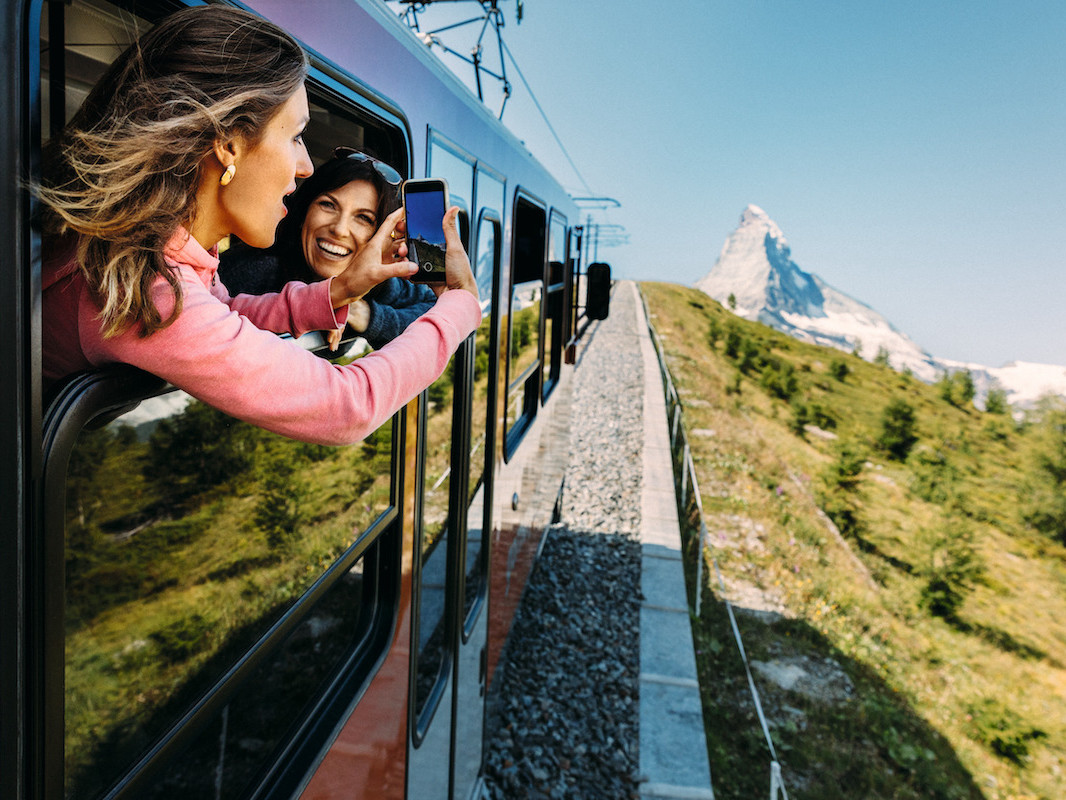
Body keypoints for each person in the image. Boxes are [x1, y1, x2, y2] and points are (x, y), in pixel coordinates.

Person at [37, 5, 480, 446]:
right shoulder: (149, 290)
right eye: (295, 137)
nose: (306, 166)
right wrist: (462, 306)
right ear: (228, 144)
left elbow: (227, 316)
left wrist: (339, 291)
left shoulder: (151, 249)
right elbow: (347, 405)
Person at [219, 146, 436, 351]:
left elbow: (433, 311)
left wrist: (366, 315)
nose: (340, 230)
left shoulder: (380, 284)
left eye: (363, 218)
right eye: (328, 205)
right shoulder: (255, 269)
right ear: (304, 212)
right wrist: (322, 304)